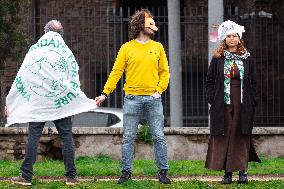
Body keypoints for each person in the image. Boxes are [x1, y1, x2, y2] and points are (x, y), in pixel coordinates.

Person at [8, 20, 96, 186]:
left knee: (33, 136)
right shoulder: (66, 53)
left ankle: (26, 176)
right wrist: (73, 97)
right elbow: (73, 75)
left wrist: (13, 102)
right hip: (60, 103)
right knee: (66, 138)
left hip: (38, 102)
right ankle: (71, 177)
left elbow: (24, 76)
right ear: (61, 33)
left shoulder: (35, 50)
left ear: (45, 31)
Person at [95, 9, 171, 184]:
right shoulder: (126, 48)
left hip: (153, 99)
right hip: (132, 99)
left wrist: (159, 90)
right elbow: (116, 72)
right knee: (128, 137)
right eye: (149, 23)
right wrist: (105, 93)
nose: (153, 27)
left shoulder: (158, 47)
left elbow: (165, 73)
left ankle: (163, 173)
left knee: (158, 136)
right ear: (140, 25)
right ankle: (126, 173)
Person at [205, 20, 261, 184]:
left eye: (234, 36)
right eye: (228, 36)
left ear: (239, 38)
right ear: (224, 39)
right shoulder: (218, 59)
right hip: (222, 104)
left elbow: (253, 83)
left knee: (240, 135)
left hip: (243, 104)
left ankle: (242, 173)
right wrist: (212, 98)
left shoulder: (248, 59)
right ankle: (227, 174)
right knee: (226, 136)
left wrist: (253, 100)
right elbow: (209, 81)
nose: (231, 39)